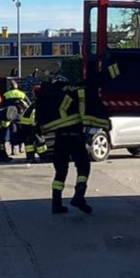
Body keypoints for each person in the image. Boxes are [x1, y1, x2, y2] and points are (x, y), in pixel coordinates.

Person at [37, 79, 110, 214]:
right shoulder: (77, 94)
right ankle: (79, 195)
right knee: (83, 166)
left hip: (60, 139)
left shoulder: (54, 96)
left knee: (60, 172)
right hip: (76, 137)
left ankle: (56, 204)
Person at [4, 80, 30, 154]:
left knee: (12, 132)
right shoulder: (22, 94)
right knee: (20, 132)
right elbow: (29, 104)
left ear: (10, 86)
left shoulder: (6, 95)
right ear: (17, 86)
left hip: (10, 116)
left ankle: (13, 150)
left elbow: (2, 106)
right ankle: (20, 148)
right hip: (20, 116)